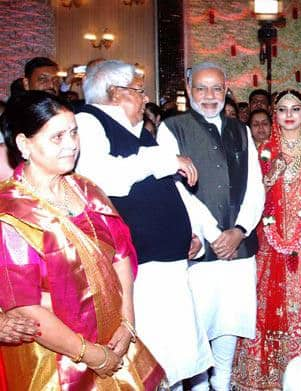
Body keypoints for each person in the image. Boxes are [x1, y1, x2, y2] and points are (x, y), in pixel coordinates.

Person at [0, 91, 165, 389]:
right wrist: (91, 355)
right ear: (24, 144)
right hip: (55, 359)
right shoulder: (10, 214)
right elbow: (26, 308)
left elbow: (121, 254)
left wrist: (127, 323)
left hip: (113, 341)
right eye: (57, 137)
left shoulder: (86, 189)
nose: (71, 145)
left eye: (74, 132)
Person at [75, 60, 215, 390]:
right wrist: (165, 159)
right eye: (139, 91)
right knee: (155, 361)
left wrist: (195, 233)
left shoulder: (140, 133)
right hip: (141, 266)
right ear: (115, 94)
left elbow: (175, 191)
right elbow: (106, 177)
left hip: (169, 262)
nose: (143, 98)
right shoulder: (88, 121)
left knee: (177, 359)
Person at [157, 61, 264, 391]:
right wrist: (216, 235)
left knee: (230, 324)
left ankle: (225, 383)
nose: (208, 96)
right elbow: (176, 189)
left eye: (216, 88)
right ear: (189, 89)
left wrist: (240, 230)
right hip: (201, 249)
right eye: (201, 88)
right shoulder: (172, 128)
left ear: (226, 89)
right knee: (197, 328)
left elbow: (256, 187)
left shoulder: (240, 129)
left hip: (239, 248)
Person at [233, 89, 301, 390]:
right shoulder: (264, 150)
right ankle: (268, 375)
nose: (289, 115)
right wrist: (271, 173)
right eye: (282, 109)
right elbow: (254, 197)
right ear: (275, 114)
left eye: (295, 109)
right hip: (271, 238)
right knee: (266, 304)